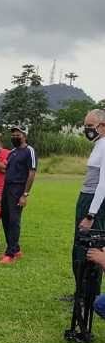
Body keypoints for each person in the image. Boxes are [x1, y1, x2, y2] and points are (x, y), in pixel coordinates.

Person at [73, 110, 105, 295]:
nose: (86, 130)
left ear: (102, 126)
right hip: (86, 198)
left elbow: (103, 184)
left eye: (90, 126)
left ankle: (89, 295)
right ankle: (80, 292)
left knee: (91, 247)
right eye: (85, 126)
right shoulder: (97, 144)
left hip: (95, 203)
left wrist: (91, 214)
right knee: (79, 246)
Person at [0, 124, 37, 264]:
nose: (15, 136)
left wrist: (25, 194)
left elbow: (32, 173)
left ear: (24, 135)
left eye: (18, 134)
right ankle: (15, 248)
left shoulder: (29, 151)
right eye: (13, 134)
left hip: (18, 189)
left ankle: (10, 254)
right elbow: (4, 169)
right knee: (6, 218)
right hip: (7, 188)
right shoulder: (12, 152)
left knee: (14, 220)